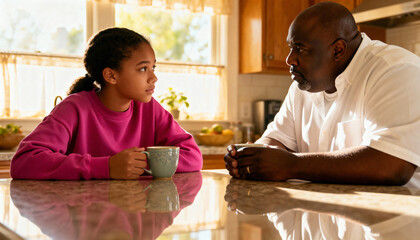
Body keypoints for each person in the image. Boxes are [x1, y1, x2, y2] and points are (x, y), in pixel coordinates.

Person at [225, 2, 420, 186]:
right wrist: (249, 157)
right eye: (290, 48)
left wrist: (290, 165)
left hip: (395, 217)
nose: (289, 59)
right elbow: (277, 141)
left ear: (338, 50)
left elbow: (392, 165)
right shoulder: (303, 86)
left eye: (300, 49)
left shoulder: (395, 71)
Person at [10, 27, 202, 180]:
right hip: (85, 218)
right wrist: (107, 167)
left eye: (153, 67)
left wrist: (141, 163)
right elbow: (25, 161)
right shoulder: (74, 108)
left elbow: (193, 155)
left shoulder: (150, 109)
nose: (154, 77)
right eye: (143, 68)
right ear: (111, 75)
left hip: (137, 213)